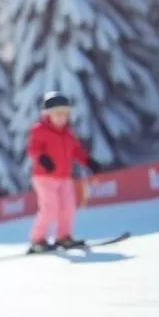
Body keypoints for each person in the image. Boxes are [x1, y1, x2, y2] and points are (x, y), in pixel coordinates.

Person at [25, 91, 101, 252]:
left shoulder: (67, 133)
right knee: (50, 208)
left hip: (65, 177)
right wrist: (43, 159)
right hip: (44, 177)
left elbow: (76, 151)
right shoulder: (39, 130)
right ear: (48, 115)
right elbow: (33, 150)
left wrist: (88, 161)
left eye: (64, 114)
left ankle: (63, 237)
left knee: (68, 207)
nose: (61, 117)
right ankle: (37, 240)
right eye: (57, 114)